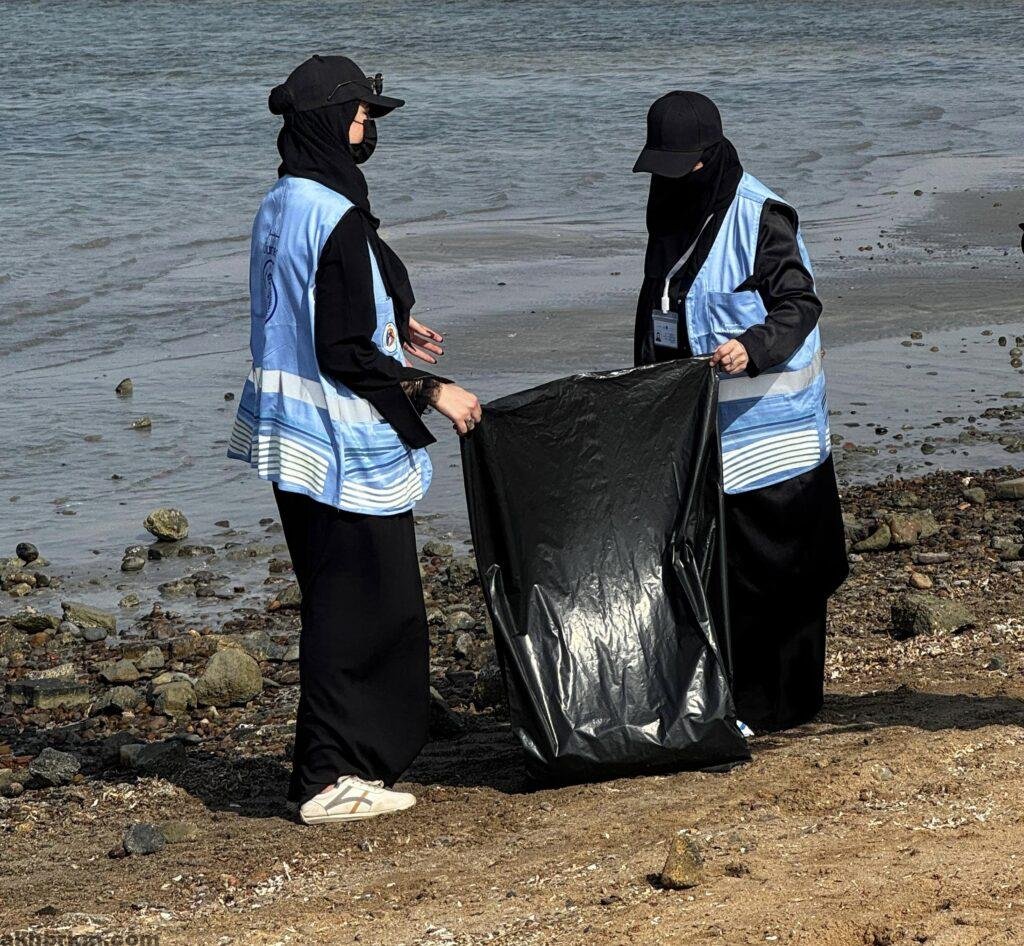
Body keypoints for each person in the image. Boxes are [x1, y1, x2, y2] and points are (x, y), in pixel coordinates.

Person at [228, 55, 482, 824]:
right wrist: (432, 390)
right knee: (365, 611)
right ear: (332, 122)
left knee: (347, 601)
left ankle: (344, 763)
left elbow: (311, 301)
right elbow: (341, 349)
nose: (368, 128)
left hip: (289, 435)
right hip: (337, 442)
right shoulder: (333, 213)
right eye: (363, 116)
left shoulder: (284, 200)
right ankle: (327, 778)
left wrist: (393, 320)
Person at [631, 91, 848, 733]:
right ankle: (734, 702)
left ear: (710, 158)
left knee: (781, 579)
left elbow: (799, 306)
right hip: (705, 436)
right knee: (722, 576)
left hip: (775, 440)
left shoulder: (762, 216)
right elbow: (661, 311)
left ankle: (780, 708)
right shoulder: (670, 208)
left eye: (681, 167)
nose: (670, 179)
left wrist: (752, 347)